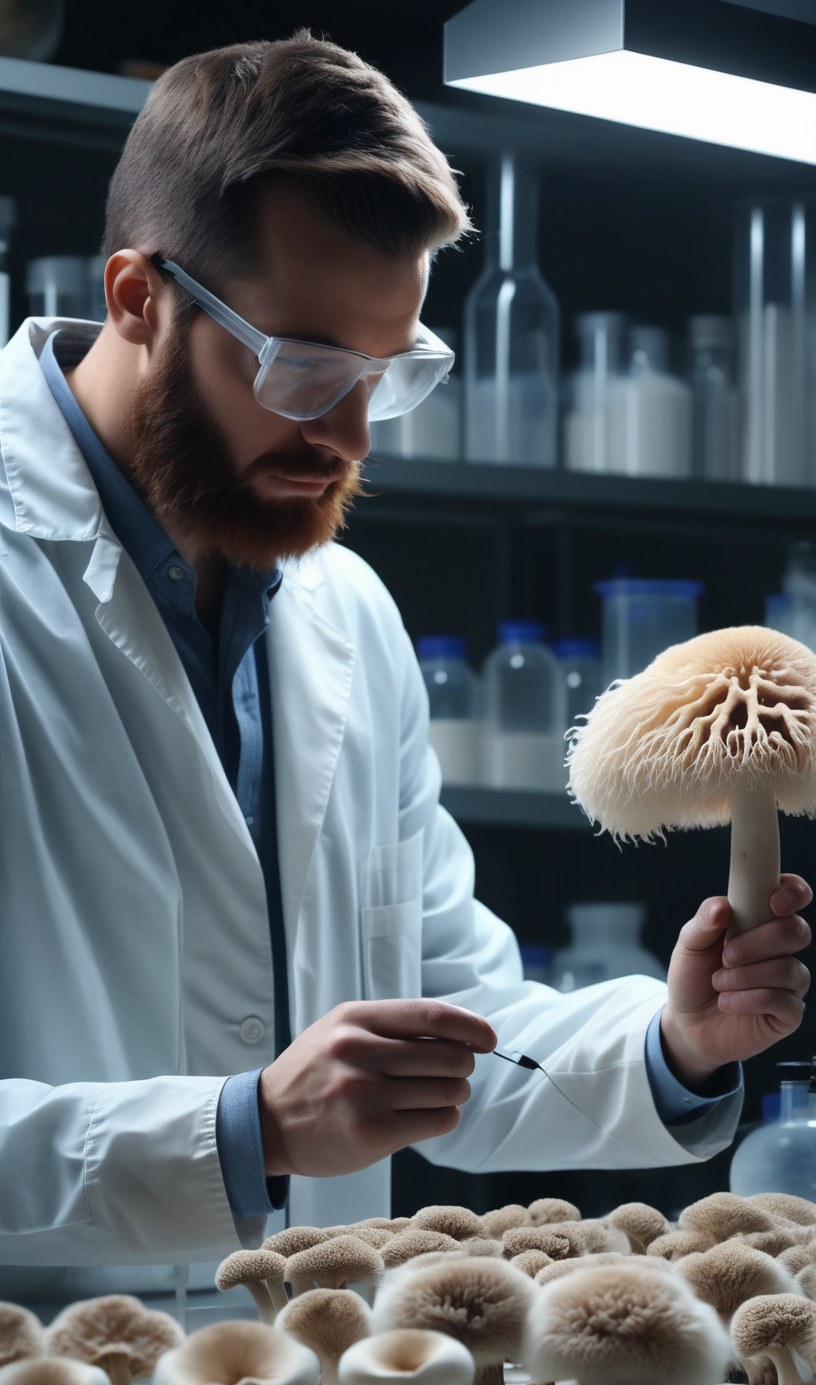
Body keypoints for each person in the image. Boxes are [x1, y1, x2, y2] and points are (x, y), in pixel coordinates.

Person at [0, 31, 810, 1301]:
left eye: (390, 372)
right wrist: (243, 1130)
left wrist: (671, 1044)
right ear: (137, 300)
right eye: (306, 365)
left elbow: (456, 1037)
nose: (349, 434)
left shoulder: (342, 611)